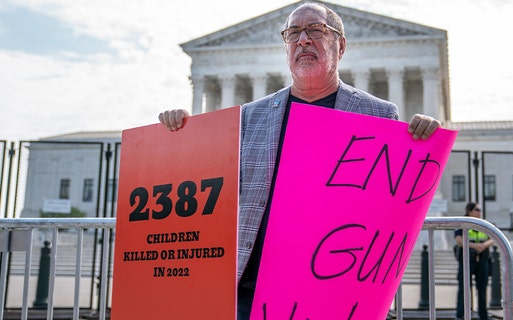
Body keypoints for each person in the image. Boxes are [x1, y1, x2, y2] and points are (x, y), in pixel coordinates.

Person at [159, 2, 442, 319]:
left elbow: (387, 204)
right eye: (293, 33)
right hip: (253, 294)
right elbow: (208, 186)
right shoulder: (249, 117)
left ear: (341, 45)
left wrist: (421, 140)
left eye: (316, 30)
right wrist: (183, 134)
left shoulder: (378, 113)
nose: (303, 39)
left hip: (334, 287)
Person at [454, 202, 494, 320]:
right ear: (470, 211)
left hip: (482, 259)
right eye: (477, 209)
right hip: (467, 259)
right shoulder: (462, 223)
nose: (479, 212)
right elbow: (458, 240)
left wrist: (483, 246)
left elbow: (493, 238)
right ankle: (461, 314)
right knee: (464, 287)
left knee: (482, 288)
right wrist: (475, 246)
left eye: (480, 209)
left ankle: (483, 315)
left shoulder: (484, 224)